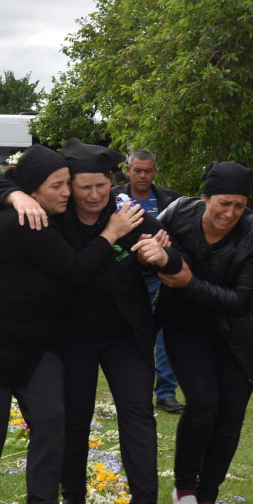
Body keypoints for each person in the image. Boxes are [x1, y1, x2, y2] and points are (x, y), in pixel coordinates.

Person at [0, 145, 144, 504]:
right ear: (33, 190)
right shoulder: (24, 222)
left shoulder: (50, 215)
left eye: (64, 185)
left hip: (36, 345)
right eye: (56, 186)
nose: (66, 193)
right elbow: (75, 270)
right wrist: (111, 234)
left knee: (52, 421)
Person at [0, 138, 173, 504]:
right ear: (68, 186)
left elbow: (172, 255)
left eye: (101, 185)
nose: (93, 195)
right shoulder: (57, 214)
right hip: (70, 336)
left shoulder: (130, 214)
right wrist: (18, 195)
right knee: (73, 418)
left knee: (138, 412)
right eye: (82, 186)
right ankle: (73, 498)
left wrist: (159, 254)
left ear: (112, 182)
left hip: (125, 335)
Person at [136, 161, 253, 504]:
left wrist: (188, 282)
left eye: (239, 206)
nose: (230, 213)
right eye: (223, 203)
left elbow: (241, 300)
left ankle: (209, 494)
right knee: (202, 403)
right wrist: (154, 255)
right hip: (186, 328)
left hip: (239, 335)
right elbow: (145, 246)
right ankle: (184, 489)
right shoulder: (178, 212)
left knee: (230, 417)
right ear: (205, 197)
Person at [114, 150, 184, 414]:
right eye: (137, 170)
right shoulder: (111, 198)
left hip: (159, 276)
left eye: (148, 170)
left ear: (155, 171)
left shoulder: (171, 199)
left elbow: (179, 237)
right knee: (126, 334)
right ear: (128, 169)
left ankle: (166, 393)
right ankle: (132, 390)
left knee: (165, 333)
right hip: (124, 276)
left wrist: (167, 248)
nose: (142, 175)